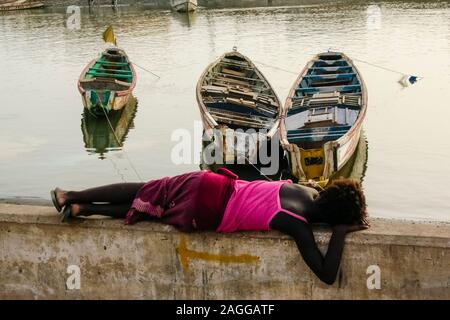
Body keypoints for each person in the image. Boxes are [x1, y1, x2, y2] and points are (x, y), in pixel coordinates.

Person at [50, 168, 368, 285]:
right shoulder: (298, 224)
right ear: (337, 216)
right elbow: (327, 276)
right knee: (152, 210)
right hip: (208, 212)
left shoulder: (306, 191)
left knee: (147, 191)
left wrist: (340, 219)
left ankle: (74, 198)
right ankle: (80, 206)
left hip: (212, 183)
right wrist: (341, 231)